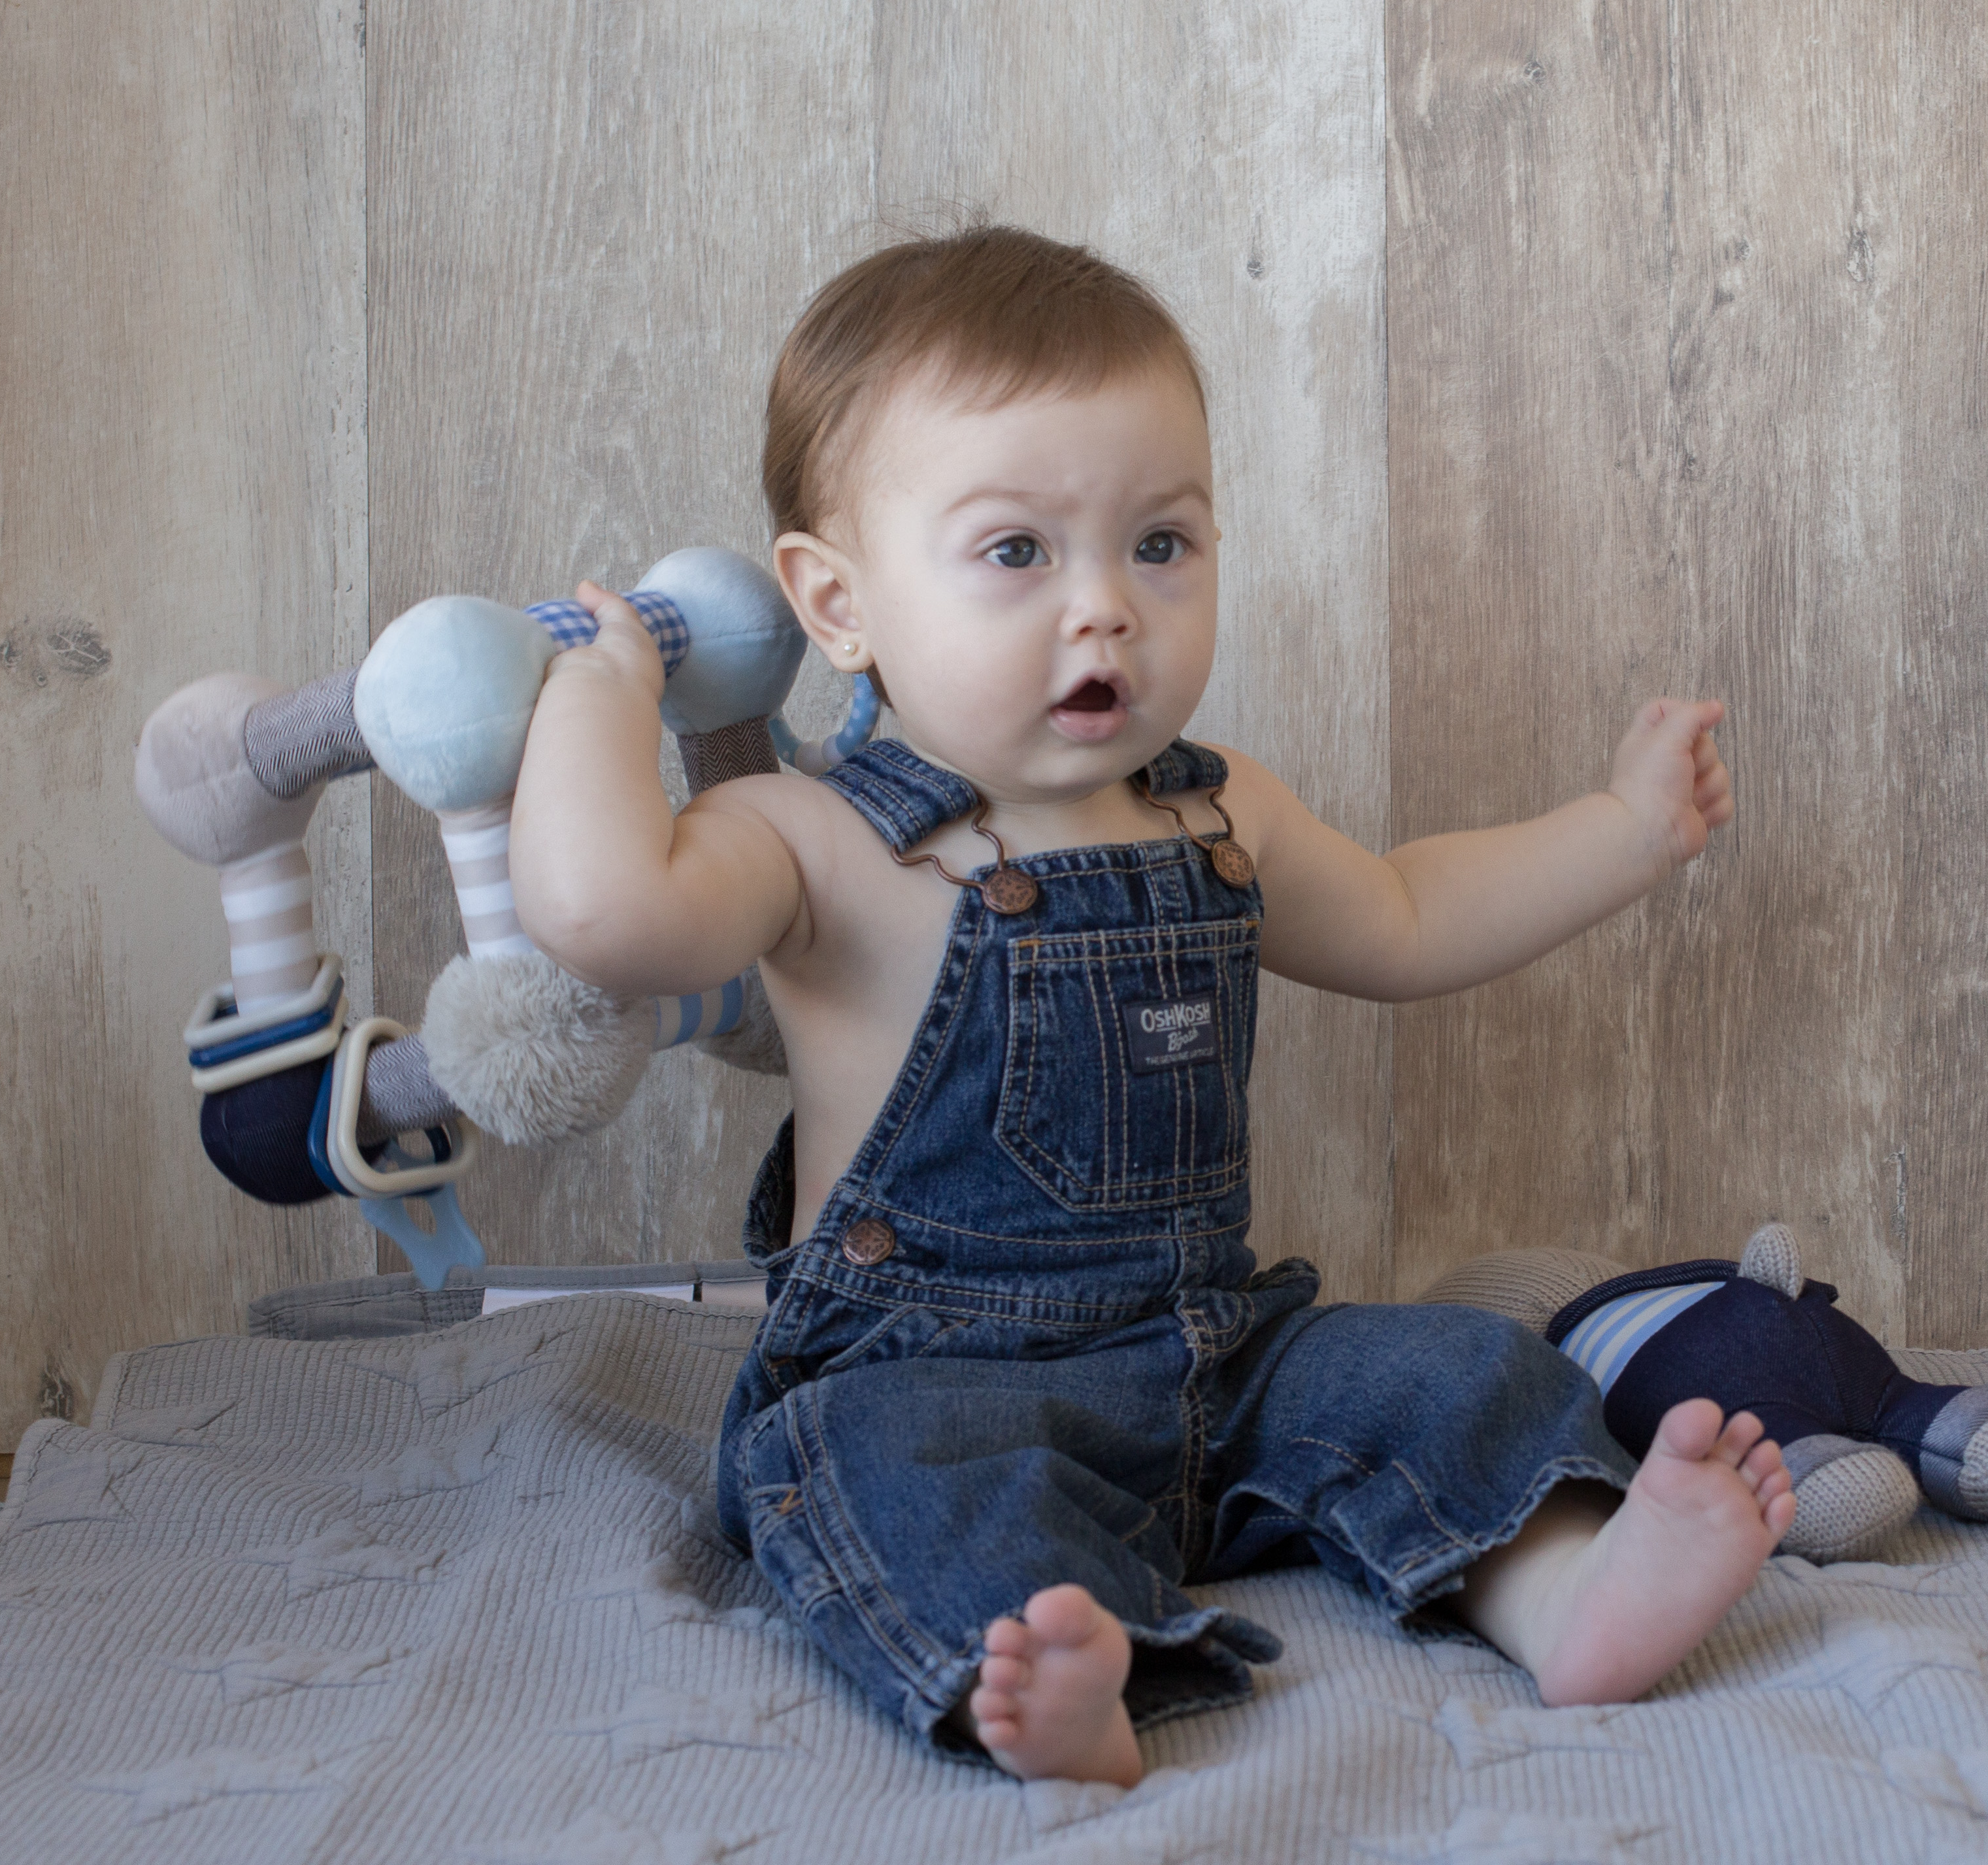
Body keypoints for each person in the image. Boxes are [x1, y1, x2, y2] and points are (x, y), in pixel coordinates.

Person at [510, 226, 1790, 1787]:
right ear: (834, 603)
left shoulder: (1215, 808)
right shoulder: (811, 837)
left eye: (1160, 544)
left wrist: (1624, 828)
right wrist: (602, 690)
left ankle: (1568, 1586)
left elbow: (1404, 914)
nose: (1104, 608)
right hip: (936, 1372)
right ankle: (1069, 1669)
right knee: (870, 1475)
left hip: (1219, 1359)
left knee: (1444, 1371)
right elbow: (603, 918)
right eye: (1015, 552)